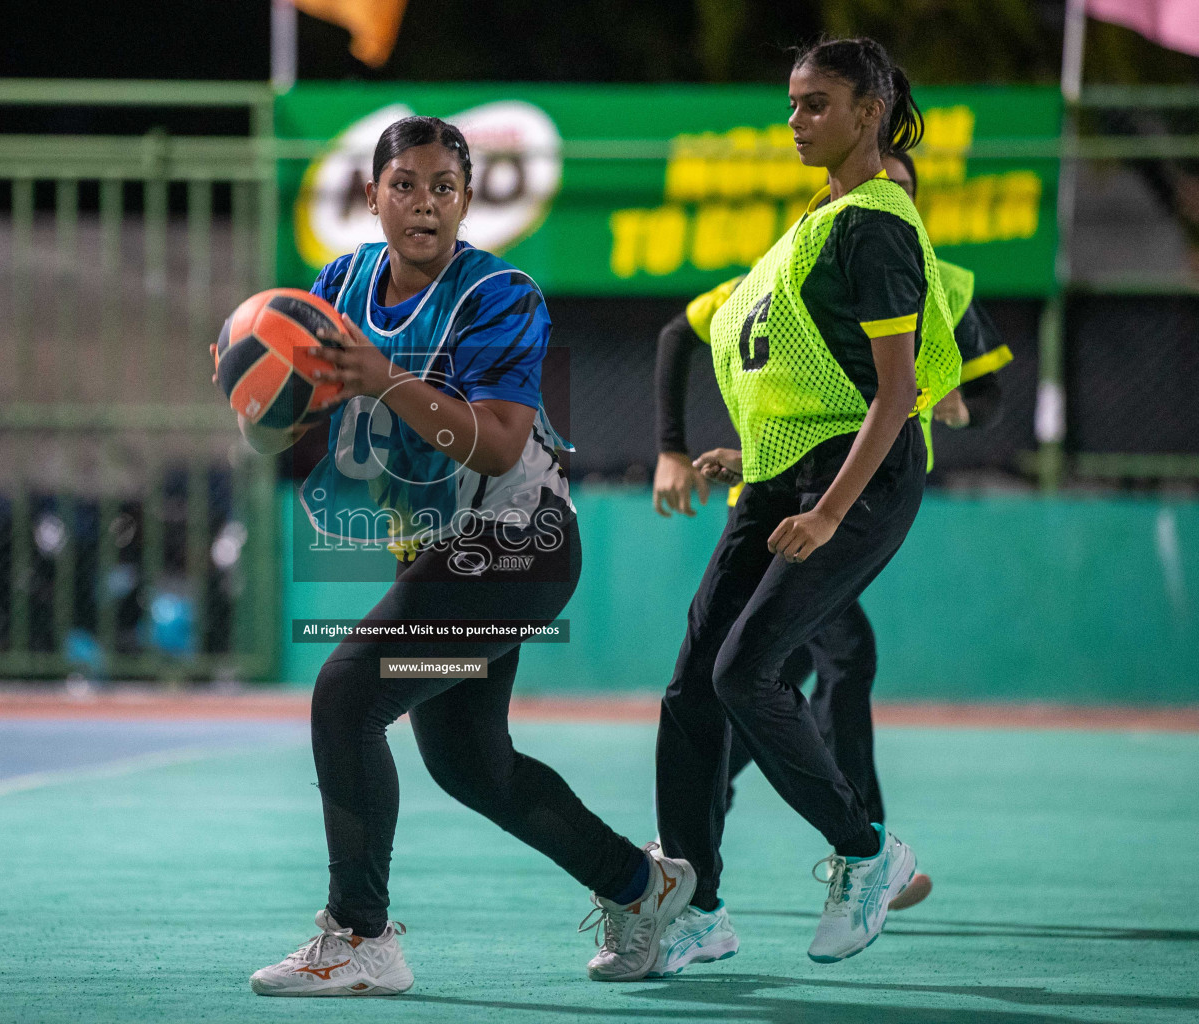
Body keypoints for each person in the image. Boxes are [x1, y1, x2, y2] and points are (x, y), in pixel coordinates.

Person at [236, 116, 692, 997]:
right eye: (404, 183)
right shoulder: (341, 284)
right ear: (369, 197)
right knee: (470, 763)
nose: (423, 203)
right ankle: (642, 886)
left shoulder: (501, 296)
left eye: (444, 186)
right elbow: (293, 425)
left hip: (519, 550)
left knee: (347, 692)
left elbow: (492, 446)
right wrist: (264, 405)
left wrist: (383, 380)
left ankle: (361, 937)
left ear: (467, 200)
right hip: (442, 553)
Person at [648, 37, 962, 974]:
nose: (795, 120)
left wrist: (828, 512)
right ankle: (695, 906)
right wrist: (754, 452)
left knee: (749, 672)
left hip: (857, 482)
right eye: (791, 103)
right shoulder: (811, 227)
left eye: (816, 104)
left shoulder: (876, 225)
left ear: (869, 113)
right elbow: (816, 376)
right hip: (777, 477)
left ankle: (868, 853)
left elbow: (897, 391)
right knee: (689, 690)